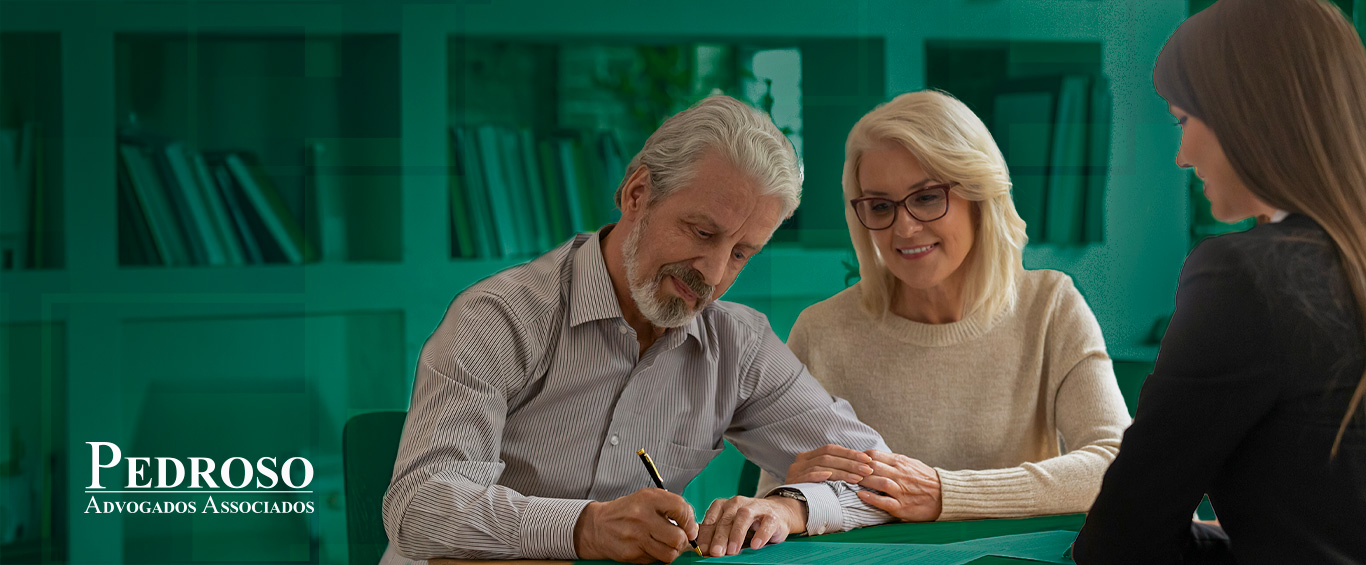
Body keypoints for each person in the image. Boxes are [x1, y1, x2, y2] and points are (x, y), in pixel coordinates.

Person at [379, 95, 897, 565]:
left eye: (740, 253)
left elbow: (882, 480)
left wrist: (788, 509)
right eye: (701, 232)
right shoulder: (498, 318)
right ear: (637, 194)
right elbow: (420, 507)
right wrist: (585, 528)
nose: (714, 275)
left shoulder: (739, 344)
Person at [1073, 0, 1366, 562]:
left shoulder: (1245, 277)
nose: (1182, 156)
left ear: (1248, 113)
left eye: (1184, 120)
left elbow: (1124, 537)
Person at [755, 90, 1132, 523]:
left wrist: (945, 494)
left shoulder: (1050, 306)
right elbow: (772, 508)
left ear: (979, 195)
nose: (906, 227)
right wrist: (790, 492)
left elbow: (1117, 462)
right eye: (880, 206)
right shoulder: (820, 330)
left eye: (928, 197)